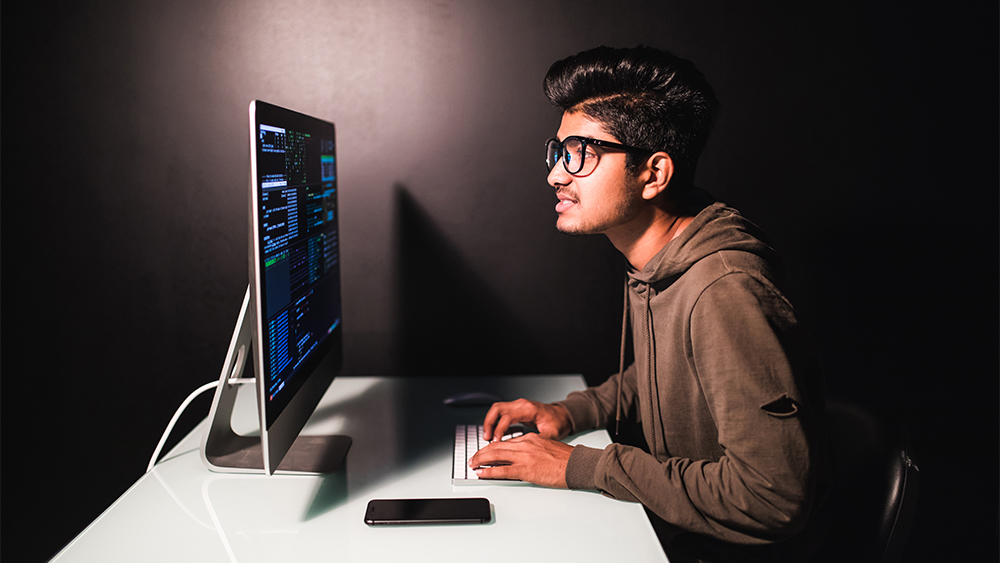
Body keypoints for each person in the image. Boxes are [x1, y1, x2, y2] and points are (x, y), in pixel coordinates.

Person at [469, 46, 830, 562]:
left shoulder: (724, 289)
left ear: (654, 173)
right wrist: (570, 412)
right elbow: (668, 373)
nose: (556, 175)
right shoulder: (660, 262)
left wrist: (579, 466)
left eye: (581, 153)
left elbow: (773, 497)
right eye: (558, 152)